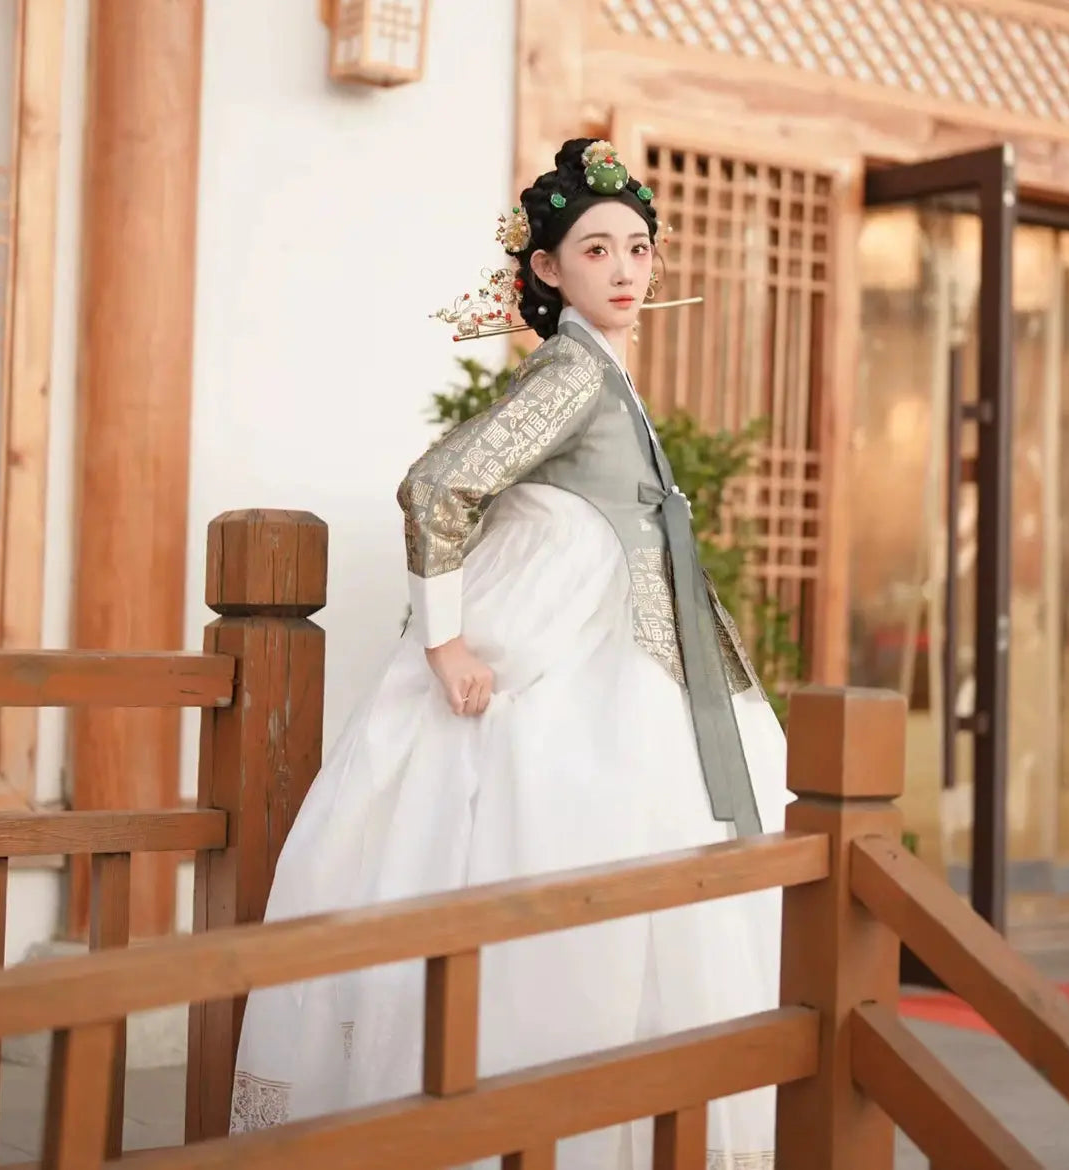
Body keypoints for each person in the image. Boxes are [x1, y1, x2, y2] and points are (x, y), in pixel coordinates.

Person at [230, 138, 788, 1170]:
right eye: (595, 250)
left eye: (639, 248)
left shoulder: (601, 373)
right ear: (547, 270)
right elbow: (439, 485)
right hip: (582, 673)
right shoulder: (574, 373)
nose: (625, 270)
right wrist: (444, 644)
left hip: (624, 663)